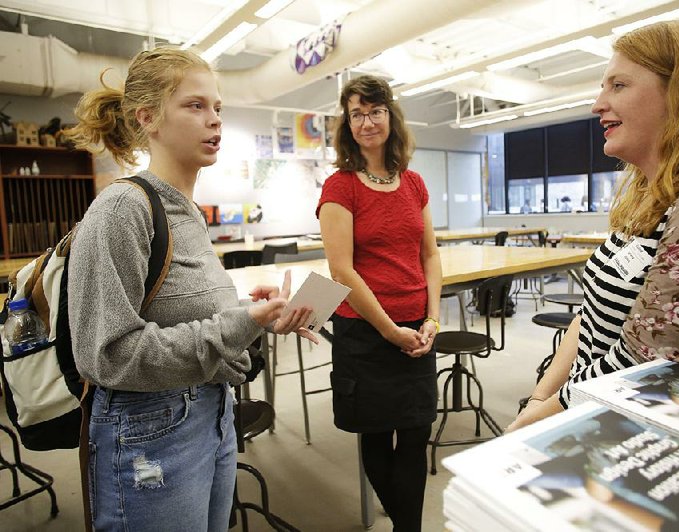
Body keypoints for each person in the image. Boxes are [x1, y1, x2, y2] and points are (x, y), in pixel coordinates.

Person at [65, 47, 315, 531]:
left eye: (218, 107)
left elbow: (183, 316)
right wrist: (237, 325)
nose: (215, 121)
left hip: (211, 413)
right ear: (148, 118)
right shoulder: (122, 210)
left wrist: (253, 315)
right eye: (195, 106)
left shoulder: (189, 214)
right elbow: (107, 355)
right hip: (149, 432)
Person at [508, 20, 679, 432]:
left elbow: (644, 363)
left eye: (618, 86)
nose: (597, 104)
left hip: (647, 430)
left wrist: (536, 422)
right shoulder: (655, 195)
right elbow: (590, 315)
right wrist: (540, 398)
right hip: (589, 407)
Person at [317, 75, 442, 531]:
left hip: (416, 328)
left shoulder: (414, 183)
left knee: (415, 436)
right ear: (347, 124)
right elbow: (341, 272)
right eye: (356, 114)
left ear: (391, 116)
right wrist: (391, 331)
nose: (367, 122)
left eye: (375, 111)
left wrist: (433, 317)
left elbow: (429, 254)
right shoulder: (340, 186)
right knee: (376, 437)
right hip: (367, 332)